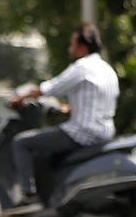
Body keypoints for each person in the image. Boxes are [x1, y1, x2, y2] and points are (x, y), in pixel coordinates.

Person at [7, 23, 119, 204]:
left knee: (22, 143)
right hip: (104, 134)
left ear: (82, 47)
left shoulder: (82, 67)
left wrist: (20, 98)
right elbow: (96, 100)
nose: (70, 48)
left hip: (81, 134)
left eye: (72, 44)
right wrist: (68, 108)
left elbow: (49, 88)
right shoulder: (107, 70)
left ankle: (29, 196)